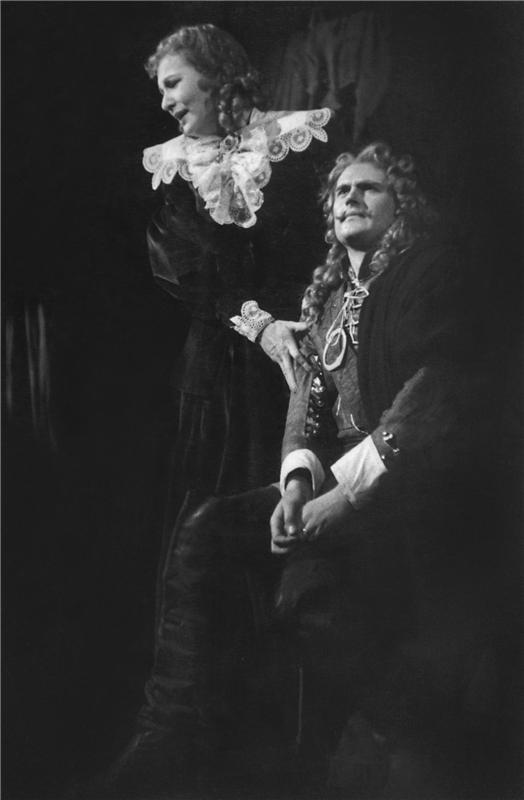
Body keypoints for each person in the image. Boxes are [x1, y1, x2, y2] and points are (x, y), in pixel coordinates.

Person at [89, 142, 497, 800]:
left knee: (309, 601)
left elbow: (438, 388)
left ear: (402, 206)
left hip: (412, 489)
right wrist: (297, 486)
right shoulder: (332, 293)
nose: (350, 197)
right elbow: (307, 403)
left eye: (369, 188)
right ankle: (171, 734)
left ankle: (420, 740)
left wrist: (342, 498)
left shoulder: (428, 270)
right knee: (208, 530)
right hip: (336, 485)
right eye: (341, 191)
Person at [142, 23, 333, 544]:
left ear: (215, 75)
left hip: (303, 349)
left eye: (173, 83)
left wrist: (300, 325)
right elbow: (190, 272)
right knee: (212, 528)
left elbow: (327, 244)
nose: (165, 101)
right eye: (161, 89)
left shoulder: (296, 139)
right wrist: (261, 326)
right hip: (219, 373)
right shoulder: (177, 168)